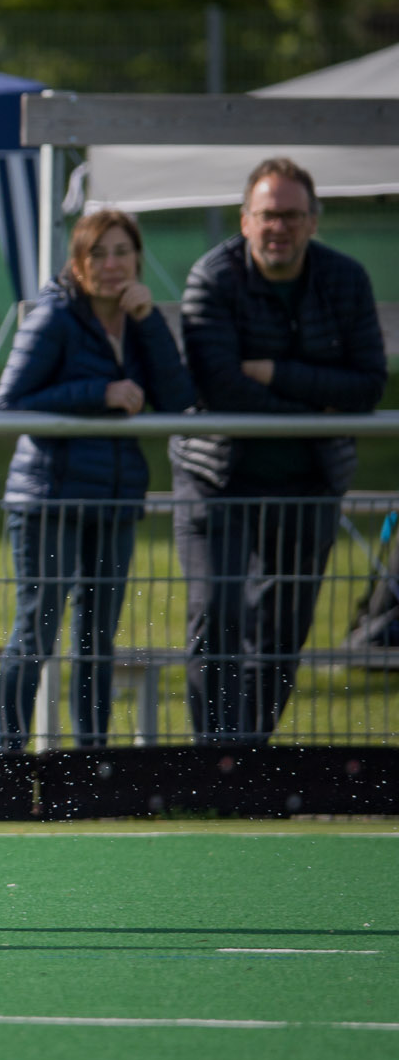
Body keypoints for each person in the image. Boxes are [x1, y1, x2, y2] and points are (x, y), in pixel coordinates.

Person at [173, 158, 387, 743]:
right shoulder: (211, 277)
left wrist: (272, 372)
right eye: (268, 215)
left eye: (292, 216)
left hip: (308, 480)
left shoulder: (346, 278)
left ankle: (249, 758)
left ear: (314, 221)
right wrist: (317, 401)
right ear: (245, 220)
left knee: (282, 630)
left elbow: (369, 385)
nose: (279, 228)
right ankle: (213, 759)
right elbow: (219, 387)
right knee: (216, 614)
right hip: (216, 476)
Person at [0, 210, 193, 750]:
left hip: (115, 498)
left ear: (138, 258)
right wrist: (99, 394)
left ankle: (91, 762)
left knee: (98, 638)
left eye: (122, 251)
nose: (111, 264)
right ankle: (6, 759)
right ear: (77, 263)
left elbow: (177, 399)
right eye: (97, 254)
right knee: (36, 630)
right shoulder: (54, 316)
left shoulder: (140, 318)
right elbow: (9, 403)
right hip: (49, 498)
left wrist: (150, 321)